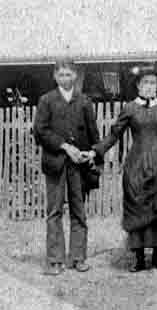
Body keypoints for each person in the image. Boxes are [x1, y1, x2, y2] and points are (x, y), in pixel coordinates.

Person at [84, 65, 157, 272]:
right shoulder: (130, 108)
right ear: (138, 86)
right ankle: (140, 258)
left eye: (153, 83)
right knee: (138, 204)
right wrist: (95, 151)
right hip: (137, 163)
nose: (149, 87)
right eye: (145, 83)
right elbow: (114, 134)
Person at [33, 59, 102, 275]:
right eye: (61, 75)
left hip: (78, 166)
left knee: (78, 211)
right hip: (55, 163)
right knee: (54, 211)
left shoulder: (84, 101)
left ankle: (78, 257)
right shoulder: (46, 101)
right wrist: (64, 146)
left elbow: (94, 134)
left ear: (76, 76)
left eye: (69, 74)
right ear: (55, 77)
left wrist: (92, 155)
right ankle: (55, 260)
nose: (65, 78)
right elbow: (40, 131)